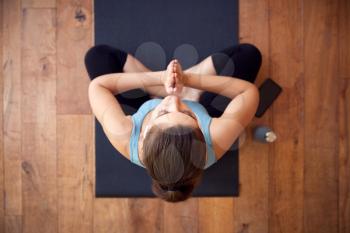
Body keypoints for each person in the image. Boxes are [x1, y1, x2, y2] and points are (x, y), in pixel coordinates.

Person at [85, 43, 262, 202]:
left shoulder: (124, 134)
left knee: (97, 56)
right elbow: (247, 92)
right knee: (248, 55)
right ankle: (190, 93)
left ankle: (157, 91)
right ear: (202, 130)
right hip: (197, 98)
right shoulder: (216, 138)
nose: (174, 101)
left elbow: (98, 86)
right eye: (189, 114)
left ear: (145, 133)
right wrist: (188, 81)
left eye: (163, 113)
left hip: (146, 100)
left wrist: (160, 79)